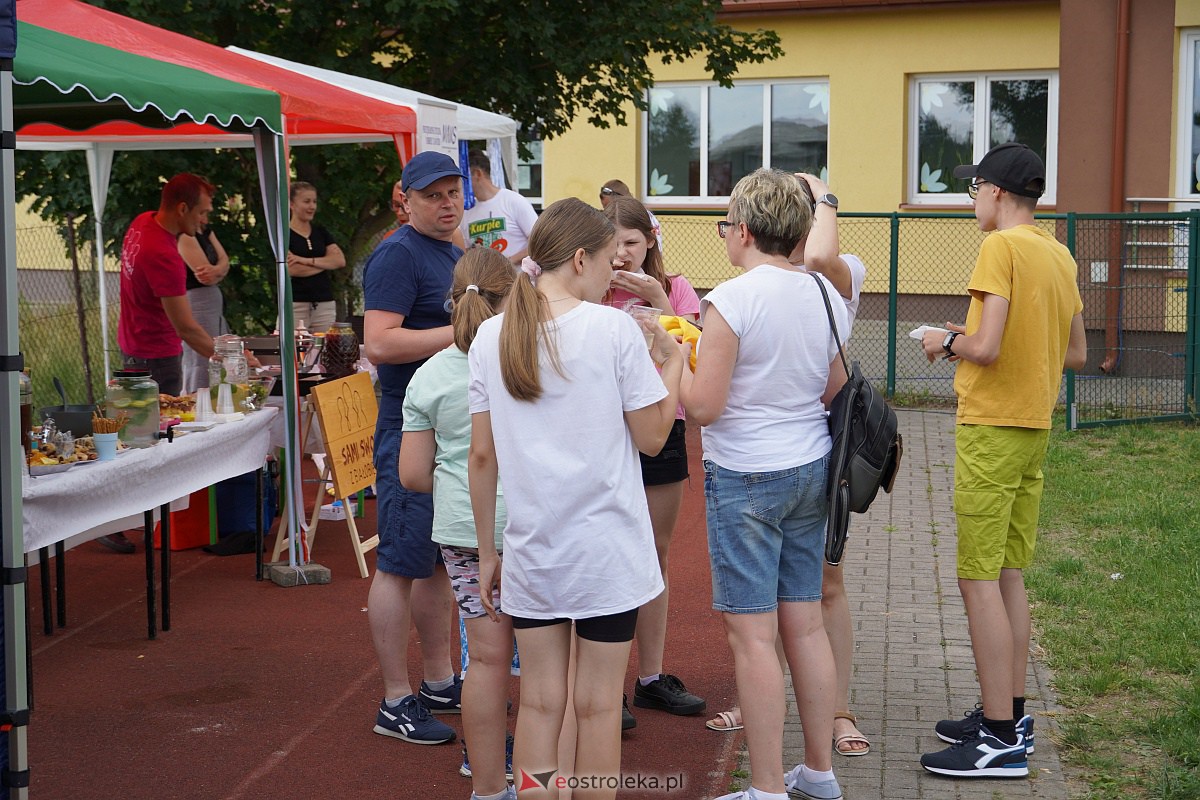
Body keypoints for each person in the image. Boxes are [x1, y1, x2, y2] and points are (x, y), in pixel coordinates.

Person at [467, 198, 684, 798]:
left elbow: (480, 457)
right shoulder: (612, 330)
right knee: (596, 711)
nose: (612, 275)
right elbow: (652, 436)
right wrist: (675, 361)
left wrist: (487, 551)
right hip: (606, 551)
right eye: (610, 263)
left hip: (535, 547)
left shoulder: (492, 335)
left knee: (537, 706)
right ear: (581, 258)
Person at [919, 142, 1086, 778]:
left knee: (977, 577)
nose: (972, 201)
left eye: (973, 190)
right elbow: (1076, 352)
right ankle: (1010, 714)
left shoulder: (1001, 248)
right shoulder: (1058, 252)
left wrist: (946, 340)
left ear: (994, 193)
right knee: (1008, 572)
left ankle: (996, 740)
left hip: (992, 427)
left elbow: (985, 346)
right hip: (1035, 427)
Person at [680, 168, 847, 800]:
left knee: (752, 637)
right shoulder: (824, 294)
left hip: (747, 473)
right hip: (810, 468)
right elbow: (833, 390)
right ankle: (819, 772)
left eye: (726, 225)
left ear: (744, 230)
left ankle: (769, 787)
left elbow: (704, 407)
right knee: (803, 624)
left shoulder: (732, 298)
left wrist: (673, 362)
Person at [399, 247, 517, 800]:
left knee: (485, 658)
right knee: (547, 662)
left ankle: (486, 779)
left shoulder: (427, 376)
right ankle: (551, 778)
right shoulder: (528, 362)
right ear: (512, 298)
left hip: (463, 531)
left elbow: (413, 473)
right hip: (530, 525)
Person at [363, 151, 468, 746]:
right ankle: (394, 701)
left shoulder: (451, 254)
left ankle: (437, 680)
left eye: (454, 191)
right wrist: (464, 331)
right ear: (406, 200)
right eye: (433, 195)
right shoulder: (398, 254)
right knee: (400, 564)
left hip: (444, 430)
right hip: (408, 429)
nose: (448, 202)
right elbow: (378, 343)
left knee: (434, 563)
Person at [601, 196, 705, 728]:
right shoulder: (590, 290)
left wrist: (660, 301)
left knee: (655, 553)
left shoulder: (678, 288)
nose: (621, 255)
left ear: (651, 244)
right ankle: (606, 685)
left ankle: (651, 678)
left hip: (666, 423)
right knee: (609, 551)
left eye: (632, 244)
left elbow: (691, 355)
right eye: (612, 244)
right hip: (606, 429)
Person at [117, 173, 219, 398]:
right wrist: (230, 358)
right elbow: (186, 328)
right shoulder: (164, 256)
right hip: (157, 358)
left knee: (137, 421)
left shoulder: (143, 221)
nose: (204, 220)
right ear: (182, 209)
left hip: (133, 345)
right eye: (201, 213)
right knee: (159, 428)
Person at [287, 181, 346, 335]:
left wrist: (304, 260)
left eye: (314, 201)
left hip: (324, 303)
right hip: (295, 304)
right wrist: (325, 263)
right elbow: (291, 269)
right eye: (306, 201)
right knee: (294, 350)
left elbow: (339, 261)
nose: (312, 206)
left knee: (325, 349)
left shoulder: (320, 231)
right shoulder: (284, 235)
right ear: (292, 204)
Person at [461, 149, 538, 265]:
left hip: (518, 281)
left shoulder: (514, 201)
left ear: (477, 173)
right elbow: (466, 252)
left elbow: (540, 243)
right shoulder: (466, 212)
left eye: (463, 178)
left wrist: (508, 262)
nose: (459, 183)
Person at [178, 222, 230, 393]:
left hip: (213, 300)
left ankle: (216, 395)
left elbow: (225, 261)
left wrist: (219, 270)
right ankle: (197, 397)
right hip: (197, 300)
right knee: (201, 359)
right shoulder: (185, 234)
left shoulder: (206, 229)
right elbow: (204, 276)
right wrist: (219, 272)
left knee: (217, 352)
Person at [599, 179, 663, 251]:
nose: (609, 211)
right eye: (605, 207)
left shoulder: (639, 216)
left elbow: (657, 247)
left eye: (609, 206)